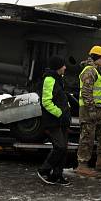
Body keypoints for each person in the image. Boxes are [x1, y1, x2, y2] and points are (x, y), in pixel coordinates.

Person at [75, 45, 101, 177]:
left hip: (98, 110)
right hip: (89, 110)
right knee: (87, 138)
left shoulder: (97, 72)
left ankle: (100, 160)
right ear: (96, 58)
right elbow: (86, 92)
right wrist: (91, 110)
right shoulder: (89, 71)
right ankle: (82, 165)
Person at [36, 55, 72, 186]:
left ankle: (57, 175)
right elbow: (46, 101)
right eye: (63, 65)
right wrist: (60, 113)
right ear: (58, 67)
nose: (65, 67)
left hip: (61, 121)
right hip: (53, 121)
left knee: (64, 148)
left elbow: (61, 99)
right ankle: (44, 170)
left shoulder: (58, 79)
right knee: (60, 146)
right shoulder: (49, 79)